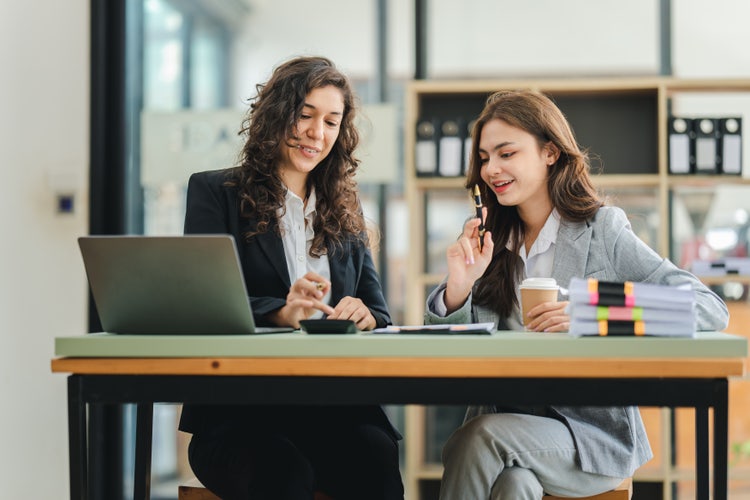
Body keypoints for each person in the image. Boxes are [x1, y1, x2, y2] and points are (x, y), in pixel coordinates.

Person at [425, 89, 729, 499]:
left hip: (590, 439)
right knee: (514, 484)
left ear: (550, 152)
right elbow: (451, 351)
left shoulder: (603, 230)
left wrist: (595, 313)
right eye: (483, 158)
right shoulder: (485, 240)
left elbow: (708, 309)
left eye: (506, 153)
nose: (491, 169)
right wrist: (459, 286)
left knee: (476, 437)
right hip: (512, 432)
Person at [178, 56, 404, 500]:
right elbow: (202, 307)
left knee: (375, 459)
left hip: (331, 409)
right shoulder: (216, 194)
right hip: (239, 416)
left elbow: (379, 311)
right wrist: (282, 312)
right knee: (285, 475)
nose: (317, 134)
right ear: (277, 114)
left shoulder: (345, 207)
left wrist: (363, 314)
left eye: (331, 122)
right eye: (305, 115)